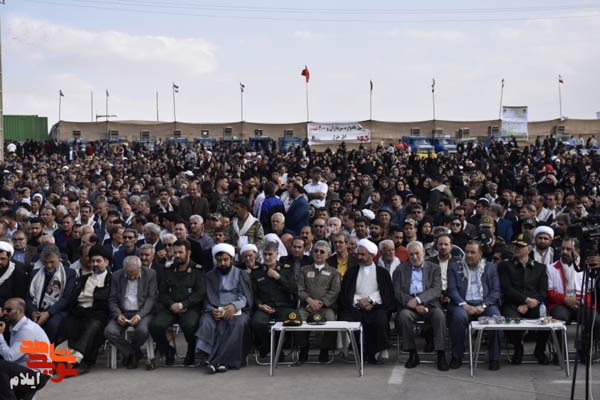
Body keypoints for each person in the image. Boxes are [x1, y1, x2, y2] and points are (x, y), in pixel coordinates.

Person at [195, 243, 253, 374]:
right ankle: (217, 360)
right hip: (215, 309)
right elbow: (205, 298)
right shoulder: (209, 276)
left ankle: (217, 361)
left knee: (238, 323)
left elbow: (245, 296)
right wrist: (211, 309)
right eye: (219, 260)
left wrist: (233, 306)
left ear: (231, 259)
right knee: (206, 321)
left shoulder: (241, 274)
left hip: (237, 309)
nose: (222, 263)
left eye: (225, 260)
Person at [148, 239, 205, 366]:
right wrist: (171, 305)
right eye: (175, 253)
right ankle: (167, 350)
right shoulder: (168, 269)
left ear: (188, 253)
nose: (177, 255)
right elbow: (162, 292)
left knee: (189, 325)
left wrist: (183, 304)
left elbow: (199, 293)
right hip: (171, 307)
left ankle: (191, 350)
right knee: (155, 325)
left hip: (190, 308)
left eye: (180, 252)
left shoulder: (197, 269)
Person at [394, 241, 449, 371]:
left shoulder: (434, 268)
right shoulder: (400, 269)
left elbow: (436, 289)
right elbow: (397, 292)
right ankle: (412, 353)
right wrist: (414, 304)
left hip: (430, 304)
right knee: (403, 316)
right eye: (411, 254)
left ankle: (441, 353)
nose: (414, 257)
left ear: (424, 252)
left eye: (417, 253)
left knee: (439, 315)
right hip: (410, 306)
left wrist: (419, 300)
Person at [339, 239, 395, 365]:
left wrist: (370, 300)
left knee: (380, 320)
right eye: (358, 254)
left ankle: (376, 354)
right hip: (355, 306)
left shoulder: (382, 272)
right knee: (347, 319)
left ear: (372, 255)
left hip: (375, 307)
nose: (359, 257)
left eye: (362, 254)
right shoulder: (351, 272)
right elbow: (346, 292)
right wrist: (359, 301)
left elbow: (386, 293)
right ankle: (354, 352)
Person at [447, 241, 502, 370]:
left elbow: (496, 291)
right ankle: (457, 356)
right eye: (467, 252)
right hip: (462, 304)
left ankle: (494, 358)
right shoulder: (454, 267)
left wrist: (483, 306)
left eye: (472, 252)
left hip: (485, 304)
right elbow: (452, 290)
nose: (468, 255)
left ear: (480, 254)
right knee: (458, 317)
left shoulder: (490, 268)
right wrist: (465, 305)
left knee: (495, 318)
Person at [58, 245, 113, 375]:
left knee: (93, 327)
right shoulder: (83, 278)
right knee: (66, 325)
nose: (95, 264)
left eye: (98, 261)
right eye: (93, 261)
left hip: (98, 314)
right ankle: (62, 359)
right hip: (79, 312)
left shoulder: (111, 280)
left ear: (106, 262)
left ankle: (78, 359)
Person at [498, 232, 550, 365]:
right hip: (512, 304)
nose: (517, 248)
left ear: (529, 249)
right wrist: (525, 300)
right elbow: (506, 288)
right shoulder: (505, 266)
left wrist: (528, 304)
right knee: (510, 319)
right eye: (516, 246)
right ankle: (518, 349)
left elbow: (543, 291)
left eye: (521, 246)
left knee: (546, 320)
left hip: (533, 304)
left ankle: (540, 350)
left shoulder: (540, 268)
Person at [104, 255, 157, 369]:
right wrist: (118, 314)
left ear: (140, 268)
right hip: (123, 311)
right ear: (124, 270)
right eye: (129, 275)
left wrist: (139, 315)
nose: (132, 277)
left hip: (142, 312)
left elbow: (151, 299)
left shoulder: (150, 274)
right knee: (109, 331)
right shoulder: (116, 276)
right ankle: (133, 353)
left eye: (135, 274)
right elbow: (112, 299)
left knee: (142, 331)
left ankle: (131, 354)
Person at [250, 241, 298, 358]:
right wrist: (259, 305)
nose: (267, 257)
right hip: (265, 306)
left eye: (270, 254)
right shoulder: (257, 271)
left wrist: (278, 277)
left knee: (291, 320)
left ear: (277, 254)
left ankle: (272, 349)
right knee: (257, 322)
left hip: (283, 306)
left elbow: (294, 289)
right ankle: (271, 348)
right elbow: (253, 293)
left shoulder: (286, 269)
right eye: (265, 254)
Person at [296, 240, 341, 363]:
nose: (318, 254)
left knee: (331, 320)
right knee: (298, 319)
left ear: (328, 255)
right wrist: (310, 301)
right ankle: (303, 349)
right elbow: (299, 288)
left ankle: (324, 350)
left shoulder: (334, 272)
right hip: (306, 306)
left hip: (325, 307)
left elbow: (335, 291)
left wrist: (320, 303)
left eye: (322, 252)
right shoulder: (304, 270)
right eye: (316, 251)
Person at [0, 298, 51, 400]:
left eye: (8, 310)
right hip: (27, 372)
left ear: (20, 311)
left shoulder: (27, 330)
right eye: (3, 309)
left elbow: (10, 357)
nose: (5, 313)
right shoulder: (16, 326)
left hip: (37, 377)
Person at [26, 244, 76, 342]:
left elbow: (66, 298)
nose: (49, 266)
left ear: (59, 258)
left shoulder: (69, 273)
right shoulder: (35, 273)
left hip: (57, 310)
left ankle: (49, 349)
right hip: (37, 308)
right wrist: (33, 312)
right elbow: (28, 296)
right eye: (45, 262)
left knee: (52, 324)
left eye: (52, 262)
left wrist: (48, 313)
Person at [0, 242, 27, 309]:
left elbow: (20, 297)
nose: (0, 262)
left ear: (9, 258)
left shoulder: (18, 271)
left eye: (3, 259)